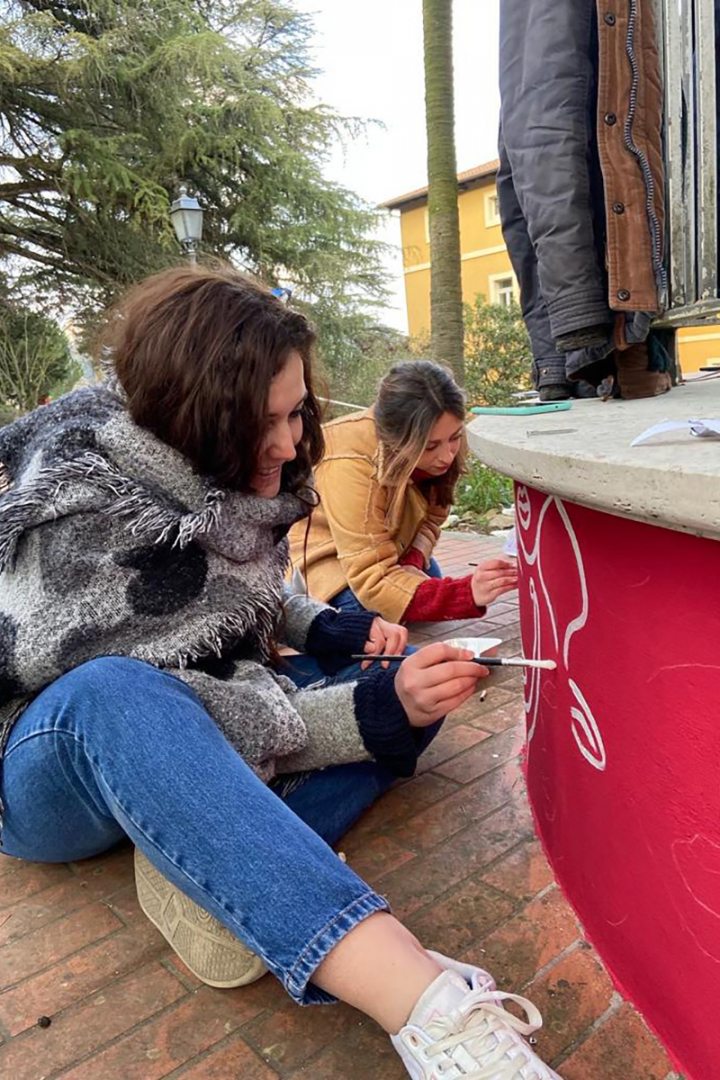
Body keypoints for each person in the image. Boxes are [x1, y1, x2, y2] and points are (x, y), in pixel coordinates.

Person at [0, 266, 560, 1080]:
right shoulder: (80, 509)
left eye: (298, 410)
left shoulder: (207, 465)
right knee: (125, 693)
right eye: (267, 420)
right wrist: (371, 711)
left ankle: (216, 867)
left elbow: (247, 595)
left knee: (419, 686)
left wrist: (340, 635)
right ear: (192, 411)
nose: (295, 441)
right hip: (50, 764)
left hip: (206, 710)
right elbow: (189, 703)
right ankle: (421, 1004)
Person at [288, 360, 519, 626]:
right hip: (329, 564)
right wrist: (466, 593)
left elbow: (433, 517)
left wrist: (413, 560)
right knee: (367, 617)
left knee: (423, 587)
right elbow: (372, 581)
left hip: (392, 551)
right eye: (430, 446)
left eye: (455, 438)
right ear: (395, 439)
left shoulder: (444, 430)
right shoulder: (349, 463)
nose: (446, 456)